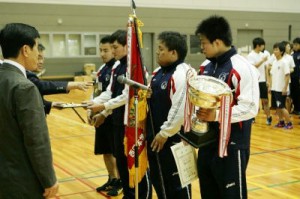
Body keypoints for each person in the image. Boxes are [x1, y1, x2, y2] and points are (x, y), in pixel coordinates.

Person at [195, 15, 259, 198]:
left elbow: (250, 108)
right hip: (206, 144)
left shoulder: (242, 68)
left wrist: (215, 115)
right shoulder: (205, 67)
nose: (201, 47)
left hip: (232, 146)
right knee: (208, 193)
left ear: (217, 42)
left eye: (203, 42)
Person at [87, 29, 152, 199]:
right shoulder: (116, 65)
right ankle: (128, 193)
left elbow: (127, 95)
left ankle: (141, 194)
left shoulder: (136, 67)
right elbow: (109, 91)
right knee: (121, 160)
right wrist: (94, 103)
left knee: (133, 161)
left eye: (115, 47)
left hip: (131, 122)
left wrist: (103, 106)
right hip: (116, 120)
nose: (113, 50)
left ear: (126, 46)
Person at [0, 23, 59, 198]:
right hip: (21, 181)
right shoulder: (24, 87)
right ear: (26, 50)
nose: (38, 55)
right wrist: (49, 179)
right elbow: (36, 140)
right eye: (36, 49)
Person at [146, 31, 192, 199]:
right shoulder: (157, 72)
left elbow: (179, 109)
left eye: (161, 49)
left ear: (173, 52)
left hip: (173, 140)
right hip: (155, 139)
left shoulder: (182, 73)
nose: (157, 52)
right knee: (161, 184)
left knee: (178, 187)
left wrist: (164, 133)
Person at [87, 35, 122, 196]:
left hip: (112, 115)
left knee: (116, 152)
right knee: (105, 150)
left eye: (106, 50)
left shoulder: (118, 67)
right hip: (100, 114)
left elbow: (115, 96)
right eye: (100, 50)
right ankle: (112, 178)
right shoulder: (101, 70)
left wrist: (103, 112)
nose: (103, 53)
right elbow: (96, 92)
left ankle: (120, 181)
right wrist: (90, 108)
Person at [27, 43, 92, 114]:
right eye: (38, 58)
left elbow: (33, 101)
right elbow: (41, 86)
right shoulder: (26, 74)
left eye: (43, 58)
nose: (41, 62)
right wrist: (72, 85)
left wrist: (51, 104)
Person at [247, 37, 272, 125]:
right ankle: (252, 117)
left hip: (262, 81)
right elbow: (253, 67)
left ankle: (269, 117)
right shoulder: (250, 55)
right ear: (258, 45)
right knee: (254, 100)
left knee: (265, 100)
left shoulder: (263, 55)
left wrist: (267, 80)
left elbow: (266, 69)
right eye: (262, 45)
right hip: (254, 81)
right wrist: (262, 60)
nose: (263, 47)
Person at [269, 42, 293, 129]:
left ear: (281, 52)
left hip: (281, 89)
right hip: (275, 88)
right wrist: (270, 87)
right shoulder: (275, 62)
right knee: (278, 108)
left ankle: (289, 123)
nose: (274, 51)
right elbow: (271, 75)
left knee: (282, 107)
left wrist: (285, 87)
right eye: (274, 49)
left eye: (276, 50)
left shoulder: (284, 62)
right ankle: (281, 122)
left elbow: (287, 75)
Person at [291, 38, 300, 115]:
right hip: (292, 78)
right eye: (294, 44)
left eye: (296, 45)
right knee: (294, 94)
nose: (294, 46)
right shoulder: (292, 55)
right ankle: (296, 109)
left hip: (298, 78)